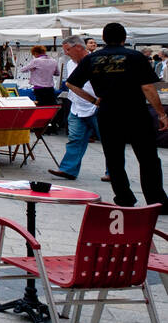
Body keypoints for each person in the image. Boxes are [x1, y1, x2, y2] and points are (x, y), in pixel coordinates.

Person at [65, 22, 168, 210]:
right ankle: (156, 200)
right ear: (124, 38)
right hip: (135, 110)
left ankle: (124, 197)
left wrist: (94, 100)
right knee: (148, 158)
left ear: (103, 39)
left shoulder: (92, 58)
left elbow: (71, 84)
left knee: (114, 157)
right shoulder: (135, 56)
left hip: (108, 111)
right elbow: (147, 87)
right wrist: (161, 113)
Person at [50, 35, 99, 181]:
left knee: (110, 142)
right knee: (75, 139)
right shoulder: (71, 63)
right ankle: (68, 169)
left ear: (78, 47)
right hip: (77, 106)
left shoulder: (95, 61)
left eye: (68, 50)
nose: (66, 53)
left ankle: (113, 172)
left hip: (95, 106)